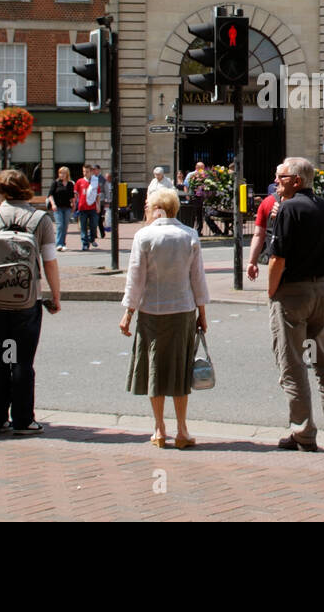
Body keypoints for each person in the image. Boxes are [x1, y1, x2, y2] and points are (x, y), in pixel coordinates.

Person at [266, 157, 324, 452]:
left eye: (281, 176)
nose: (276, 181)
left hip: (293, 294)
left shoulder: (289, 208)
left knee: (293, 365)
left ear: (296, 180)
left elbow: (278, 258)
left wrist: (271, 291)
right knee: (322, 362)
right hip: (320, 292)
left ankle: (302, 432)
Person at [0, 170, 61, 435]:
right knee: (21, 359)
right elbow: (49, 261)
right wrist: (54, 295)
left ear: (0, 191)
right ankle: (23, 419)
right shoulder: (40, 219)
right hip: (26, 300)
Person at [119, 188, 209, 449]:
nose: (145, 209)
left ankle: (159, 429)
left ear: (156, 208)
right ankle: (182, 430)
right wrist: (202, 314)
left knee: (154, 368)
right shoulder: (189, 235)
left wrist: (128, 313)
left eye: (148, 205)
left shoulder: (143, 236)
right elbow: (198, 279)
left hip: (151, 311)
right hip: (183, 309)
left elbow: (135, 279)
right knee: (180, 370)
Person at [246, 176, 281, 281]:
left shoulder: (267, 202)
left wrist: (252, 262)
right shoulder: (317, 203)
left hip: (277, 258)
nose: (276, 180)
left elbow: (258, 235)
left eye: (280, 176)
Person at [46, 166, 75, 251]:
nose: (62, 175)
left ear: (67, 174)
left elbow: (72, 196)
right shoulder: (55, 183)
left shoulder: (70, 184)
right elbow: (50, 195)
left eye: (63, 173)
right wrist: (53, 204)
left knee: (65, 226)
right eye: (60, 173)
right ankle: (59, 244)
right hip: (58, 207)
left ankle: (63, 243)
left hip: (67, 207)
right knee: (60, 225)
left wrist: (73, 204)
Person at [74, 163, 99, 250]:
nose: (85, 173)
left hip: (92, 207)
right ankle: (85, 243)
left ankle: (92, 238)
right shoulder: (79, 181)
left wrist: (98, 205)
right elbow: (76, 194)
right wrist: (74, 204)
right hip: (82, 207)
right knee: (83, 226)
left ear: (91, 172)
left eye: (87, 171)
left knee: (93, 225)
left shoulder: (95, 182)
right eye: (84, 171)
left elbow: (97, 195)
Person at [92, 163, 109, 239]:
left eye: (95, 169)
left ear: (99, 170)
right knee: (93, 218)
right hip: (93, 200)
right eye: (93, 170)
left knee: (99, 218)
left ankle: (102, 233)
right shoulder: (91, 178)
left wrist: (107, 201)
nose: (94, 171)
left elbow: (106, 190)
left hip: (101, 200)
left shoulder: (102, 179)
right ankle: (94, 233)